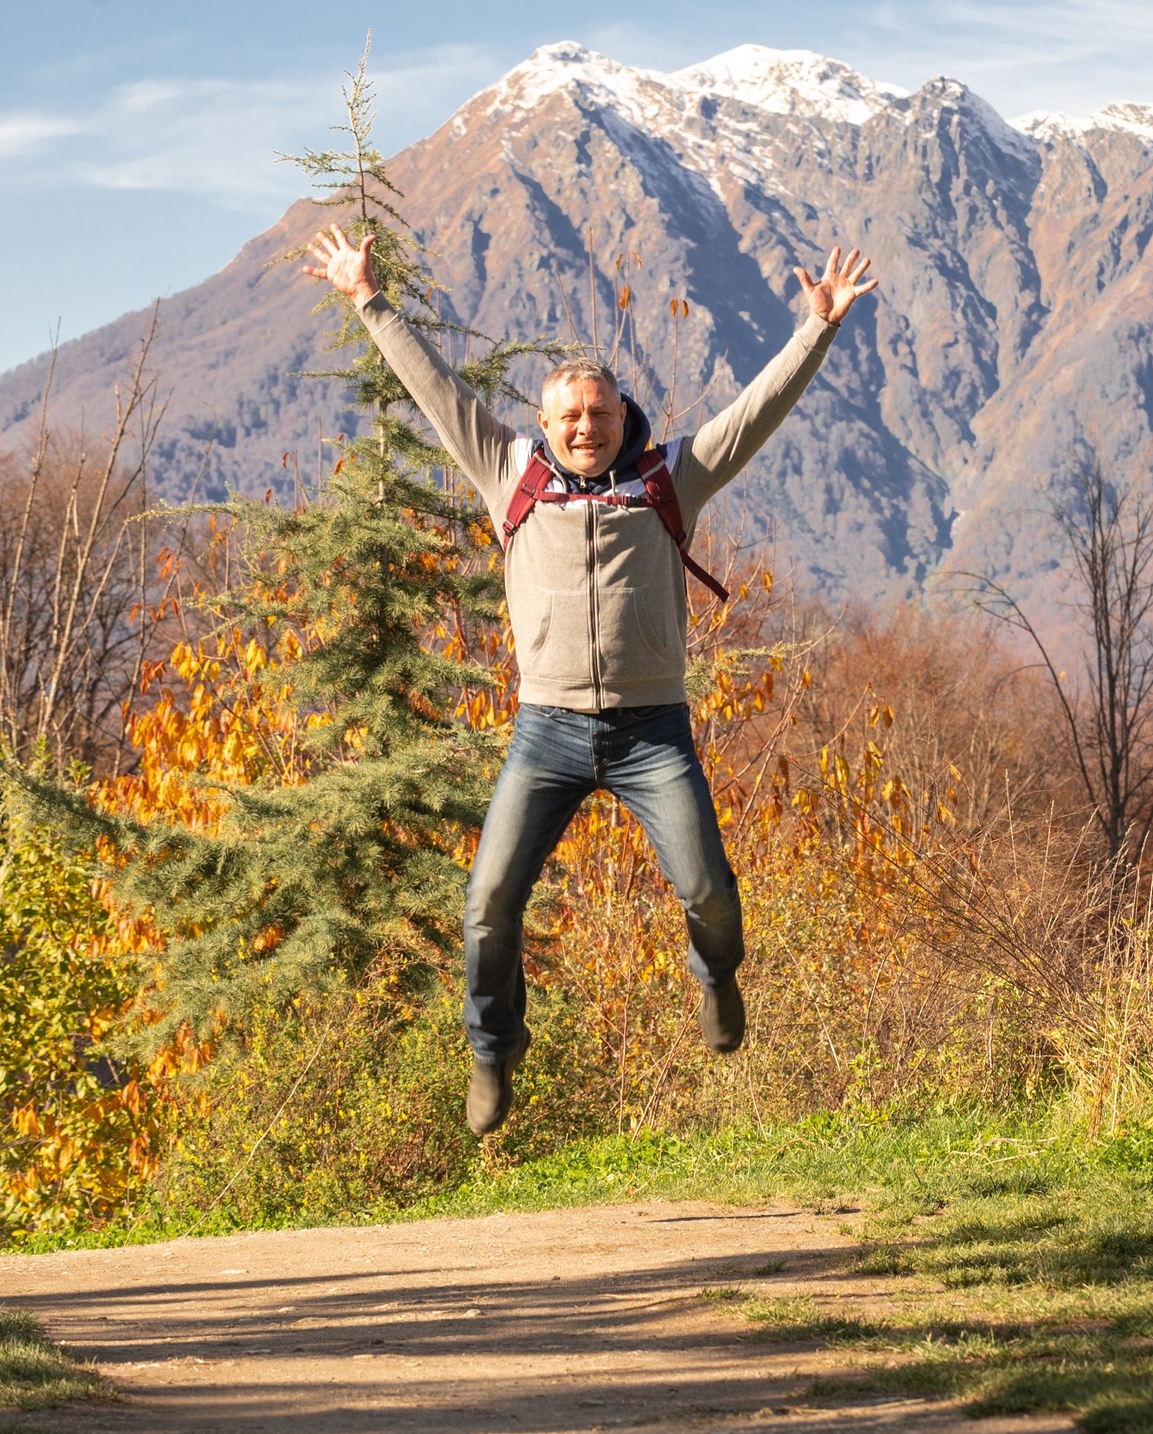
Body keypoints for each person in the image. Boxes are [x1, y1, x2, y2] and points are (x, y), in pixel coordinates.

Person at [302, 225, 879, 1133]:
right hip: (548, 732)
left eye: (599, 414)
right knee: (489, 902)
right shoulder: (510, 477)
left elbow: (755, 414)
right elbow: (436, 392)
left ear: (622, 416)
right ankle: (495, 1049)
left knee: (711, 895)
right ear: (545, 422)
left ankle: (714, 975)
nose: (584, 427)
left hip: (653, 731)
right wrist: (368, 298)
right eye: (569, 416)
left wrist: (817, 329)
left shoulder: (668, 481)